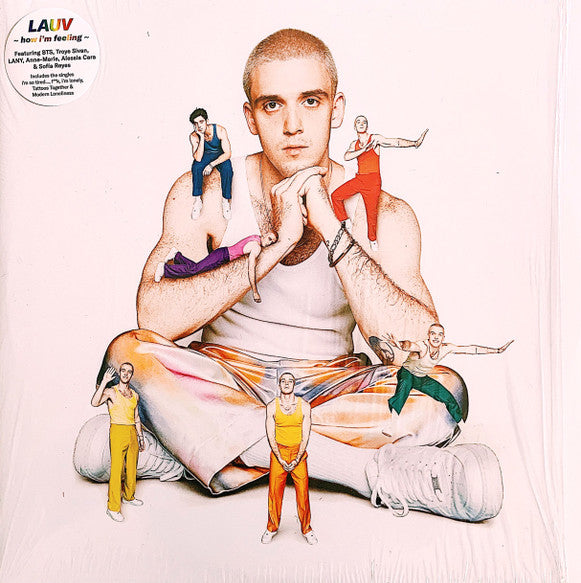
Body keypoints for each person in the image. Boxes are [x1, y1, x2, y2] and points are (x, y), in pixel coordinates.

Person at [76, 29, 505, 523]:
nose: (293, 125)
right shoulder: (210, 196)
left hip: (332, 386)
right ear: (250, 117)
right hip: (226, 377)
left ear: (336, 109)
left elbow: (419, 346)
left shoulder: (384, 214)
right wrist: (273, 249)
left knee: (441, 390)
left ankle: (188, 448)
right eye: (272, 105)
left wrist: (332, 229)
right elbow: (154, 319)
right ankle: (371, 474)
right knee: (128, 352)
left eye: (311, 101)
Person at [370, 325, 513, 438]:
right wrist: (397, 344)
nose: (436, 337)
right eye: (433, 334)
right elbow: (409, 345)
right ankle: (392, 425)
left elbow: (470, 349)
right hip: (407, 374)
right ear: (429, 335)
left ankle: (462, 426)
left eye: (439, 334)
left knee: (447, 396)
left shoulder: (446, 348)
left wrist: (496, 350)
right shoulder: (423, 346)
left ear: (443, 337)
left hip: (421, 378)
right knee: (403, 389)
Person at [331, 115, 428, 250]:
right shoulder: (354, 144)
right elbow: (347, 156)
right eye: (358, 122)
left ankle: (372, 240)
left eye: (364, 122)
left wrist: (414, 143)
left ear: (367, 126)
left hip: (373, 181)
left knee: (371, 213)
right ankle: (346, 221)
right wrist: (363, 150)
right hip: (360, 179)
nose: (361, 124)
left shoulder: (375, 139)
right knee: (336, 196)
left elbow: (395, 142)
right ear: (354, 126)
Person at [261, 373, 316, 545]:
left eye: (290, 381)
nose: (286, 384)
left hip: (298, 453)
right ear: (279, 385)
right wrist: (279, 457)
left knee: (303, 493)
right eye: (283, 381)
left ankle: (307, 529)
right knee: (274, 493)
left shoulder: (304, 406)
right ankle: (271, 528)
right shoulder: (272, 406)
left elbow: (305, 435)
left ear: (294, 384)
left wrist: (298, 457)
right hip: (279, 452)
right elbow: (270, 434)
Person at [90, 362, 145, 522]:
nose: (126, 374)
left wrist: (140, 437)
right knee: (117, 469)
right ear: (119, 373)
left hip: (132, 431)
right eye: (123, 371)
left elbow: (136, 417)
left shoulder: (134, 395)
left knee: (132, 466)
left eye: (129, 371)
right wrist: (104, 382)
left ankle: (129, 496)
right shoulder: (111, 392)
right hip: (117, 430)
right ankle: (113, 508)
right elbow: (94, 402)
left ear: (131, 375)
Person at [154, 232, 277, 303]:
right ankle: (164, 269)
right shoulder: (256, 247)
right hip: (222, 256)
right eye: (269, 238)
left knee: (197, 267)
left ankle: (176, 255)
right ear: (265, 234)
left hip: (222, 253)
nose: (269, 242)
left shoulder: (256, 237)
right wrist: (255, 291)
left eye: (272, 242)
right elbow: (251, 268)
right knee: (195, 269)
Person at [189, 108, 233, 220]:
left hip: (220, 154)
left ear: (207, 121)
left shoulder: (220, 130)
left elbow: (228, 153)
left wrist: (211, 165)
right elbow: (198, 158)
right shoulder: (194, 136)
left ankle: (225, 201)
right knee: (196, 167)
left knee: (228, 169)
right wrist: (201, 137)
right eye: (195, 123)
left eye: (201, 122)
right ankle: (198, 200)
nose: (199, 126)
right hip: (205, 154)